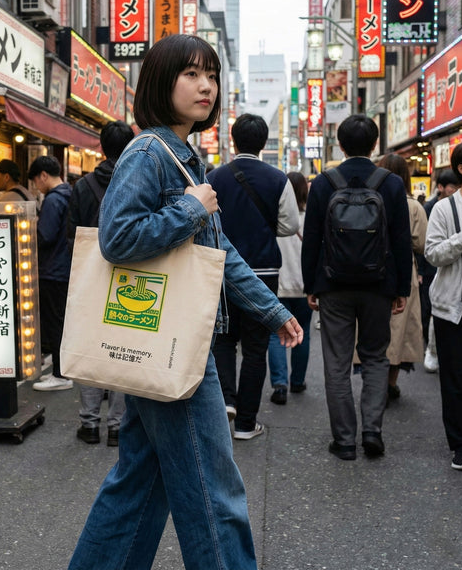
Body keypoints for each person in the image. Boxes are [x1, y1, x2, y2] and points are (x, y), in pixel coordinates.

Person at [67, 34, 302, 570]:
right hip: (171, 346)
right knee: (214, 494)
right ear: (160, 81)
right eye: (191, 74)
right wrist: (191, 209)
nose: (206, 86)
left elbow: (220, 255)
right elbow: (117, 237)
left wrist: (272, 310)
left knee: (139, 485)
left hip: (166, 342)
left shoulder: (182, 155)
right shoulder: (149, 151)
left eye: (212, 75)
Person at [302, 114, 412, 461]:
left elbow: (313, 241)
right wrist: (402, 288)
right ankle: (372, 433)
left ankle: (345, 440)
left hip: (333, 284)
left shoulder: (324, 183)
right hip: (379, 284)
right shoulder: (391, 184)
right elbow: (401, 241)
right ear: (376, 144)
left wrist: (311, 284)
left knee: (336, 362)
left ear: (340, 144)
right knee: (376, 358)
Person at [207, 115, 299, 429]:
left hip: (221, 270)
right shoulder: (278, 178)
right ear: (263, 144)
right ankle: (247, 422)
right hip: (264, 272)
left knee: (223, 340)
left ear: (232, 140)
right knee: (256, 346)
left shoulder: (214, 177)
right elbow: (289, 226)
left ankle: (227, 403)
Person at [67, 120, 134, 447]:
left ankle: (89, 424)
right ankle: (118, 426)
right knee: (121, 352)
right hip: (128, 277)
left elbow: (71, 237)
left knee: (90, 350)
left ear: (101, 146)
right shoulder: (137, 181)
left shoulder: (82, 186)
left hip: (90, 277)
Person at [424, 140, 462, 472]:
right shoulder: (447, 208)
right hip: (453, 303)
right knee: (456, 376)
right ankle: (461, 445)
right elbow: (432, 254)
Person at [373, 154, 427, 402]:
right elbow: (421, 243)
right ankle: (390, 383)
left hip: (372, 269)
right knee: (399, 329)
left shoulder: (371, 199)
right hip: (404, 270)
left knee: (375, 326)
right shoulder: (414, 206)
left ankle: (373, 380)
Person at [27, 155, 73, 391]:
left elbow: (45, 236)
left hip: (53, 269)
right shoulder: (68, 193)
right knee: (60, 322)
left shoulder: (54, 199)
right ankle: (60, 369)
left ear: (43, 175)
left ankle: (60, 374)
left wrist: (32, 226)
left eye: (36, 181)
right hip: (63, 267)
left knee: (56, 323)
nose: (36, 186)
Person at [267, 172, 313, 395]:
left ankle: (279, 384)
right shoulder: (311, 219)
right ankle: (297, 381)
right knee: (302, 332)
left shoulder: (276, 218)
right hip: (305, 287)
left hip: (279, 285)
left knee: (277, 334)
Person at [418, 168, 459, 373]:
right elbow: (426, 245)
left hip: (454, 269)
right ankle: (430, 348)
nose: (455, 189)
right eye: (452, 186)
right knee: (429, 309)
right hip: (431, 267)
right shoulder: (432, 208)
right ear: (441, 187)